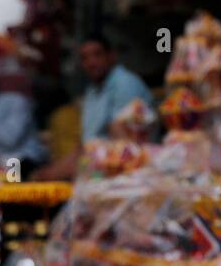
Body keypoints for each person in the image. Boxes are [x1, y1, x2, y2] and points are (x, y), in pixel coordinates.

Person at [36, 35, 155, 180]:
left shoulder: (125, 83)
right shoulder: (92, 91)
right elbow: (84, 146)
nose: (91, 62)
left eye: (97, 55)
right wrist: (50, 173)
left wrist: (65, 171)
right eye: (85, 58)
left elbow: (124, 145)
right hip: (95, 171)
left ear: (111, 56)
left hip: (124, 174)